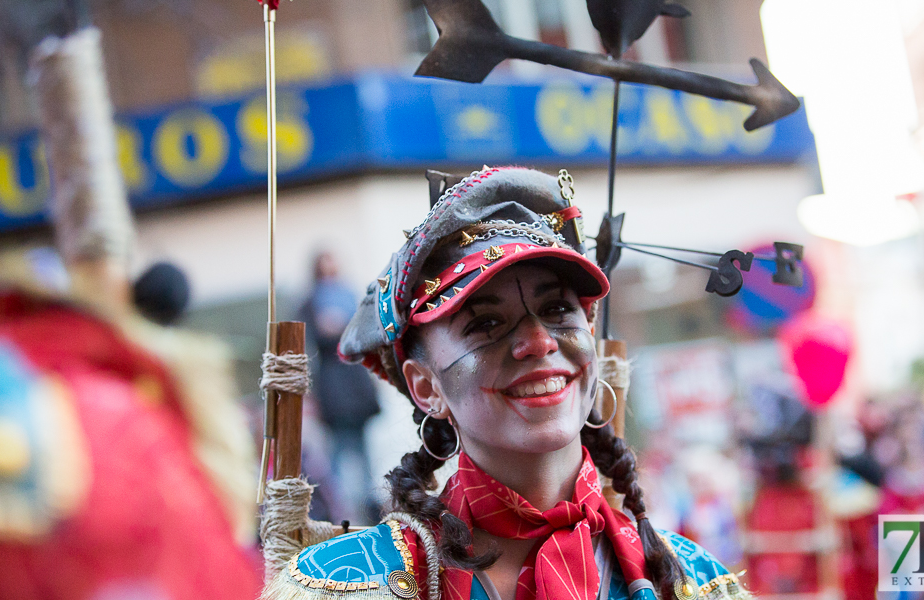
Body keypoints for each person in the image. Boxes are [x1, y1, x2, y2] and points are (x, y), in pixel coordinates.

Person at [263, 167, 750, 600]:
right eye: (486, 325)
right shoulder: (343, 586)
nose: (538, 342)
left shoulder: (695, 581)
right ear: (426, 387)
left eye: (558, 310)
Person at [301, 250, 382, 523]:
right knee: (336, 453)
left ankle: (369, 506)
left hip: (354, 385)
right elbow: (314, 340)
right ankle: (338, 511)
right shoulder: (310, 303)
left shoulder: (349, 296)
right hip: (332, 390)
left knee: (362, 451)